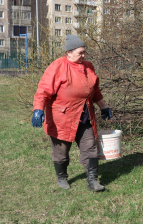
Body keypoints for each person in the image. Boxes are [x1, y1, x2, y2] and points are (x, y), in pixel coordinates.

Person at [31, 35, 112, 192]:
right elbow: (43, 91)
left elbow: (95, 91)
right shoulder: (57, 67)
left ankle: (93, 181)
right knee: (61, 152)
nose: (83, 56)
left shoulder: (88, 66)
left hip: (85, 116)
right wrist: (38, 109)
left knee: (90, 148)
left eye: (84, 52)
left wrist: (103, 106)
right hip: (62, 118)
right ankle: (62, 177)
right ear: (68, 52)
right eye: (80, 53)